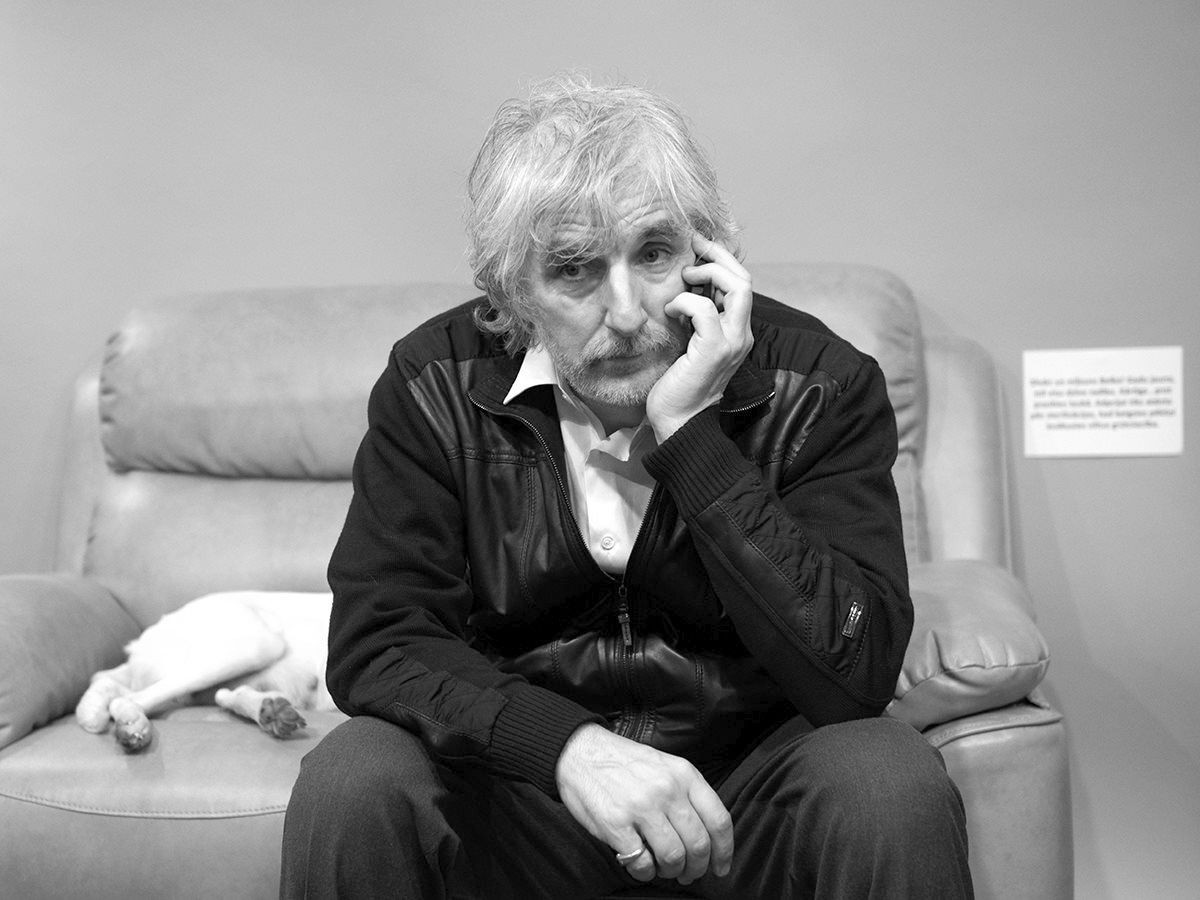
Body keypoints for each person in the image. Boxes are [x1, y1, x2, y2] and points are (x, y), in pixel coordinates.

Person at [281, 73, 972, 899]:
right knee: (354, 775)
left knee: (887, 778)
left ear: (708, 257)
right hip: (528, 800)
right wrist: (568, 748)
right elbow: (381, 639)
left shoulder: (819, 386)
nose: (628, 311)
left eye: (653, 254)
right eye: (575, 269)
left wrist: (691, 436)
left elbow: (856, 672)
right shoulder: (435, 383)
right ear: (512, 293)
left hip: (749, 800)